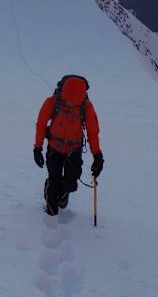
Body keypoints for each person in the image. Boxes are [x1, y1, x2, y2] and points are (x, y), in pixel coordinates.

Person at [32, 75, 104, 215]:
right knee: (54, 182)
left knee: (71, 182)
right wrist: (37, 148)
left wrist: (97, 156)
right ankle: (51, 214)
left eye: (74, 103)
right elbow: (41, 124)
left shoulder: (86, 107)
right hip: (54, 148)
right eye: (68, 101)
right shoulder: (53, 102)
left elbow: (93, 132)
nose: (70, 105)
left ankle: (61, 196)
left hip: (74, 149)